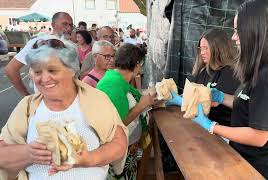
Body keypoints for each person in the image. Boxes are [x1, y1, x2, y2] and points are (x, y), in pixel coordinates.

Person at [192, 0, 268, 179]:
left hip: (263, 171)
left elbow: (259, 136)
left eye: (237, 31)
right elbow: (249, 103)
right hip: (246, 162)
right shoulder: (259, 69)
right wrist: (221, 97)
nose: (233, 38)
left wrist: (211, 126)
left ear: (255, 32)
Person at [0, 37, 128, 180]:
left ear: (71, 70)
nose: (44, 78)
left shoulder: (97, 100)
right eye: (37, 72)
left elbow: (119, 143)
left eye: (52, 70)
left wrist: (88, 159)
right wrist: (28, 153)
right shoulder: (28, 107)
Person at [97, 43, 157, 180]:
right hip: (117, 151)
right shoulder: (114, 86)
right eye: (140, 64)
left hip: (127, 147)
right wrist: (141, 106)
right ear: (136, 64)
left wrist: (149, 100)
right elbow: (117, 125)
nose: (141, 67)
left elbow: (136, 96)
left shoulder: (118, 79)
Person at [168, 28, 240, 126]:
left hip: (222, 129)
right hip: (204, 126)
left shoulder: (229, 74)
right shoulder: (203, 72)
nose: (202, 52)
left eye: (206, 48)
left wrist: (180, 101)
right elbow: (195, 97)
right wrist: (178, 98)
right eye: (201, 48)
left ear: (218, 48)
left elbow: (209, 104)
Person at [4, 12, 74, 96]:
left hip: (69, 99)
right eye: (65, 24)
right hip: (46, 101)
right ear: (53, 25)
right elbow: (11, 69)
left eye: (71, 25)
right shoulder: (39, 42)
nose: (69, 28)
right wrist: (26, 95)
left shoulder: (71, 45)